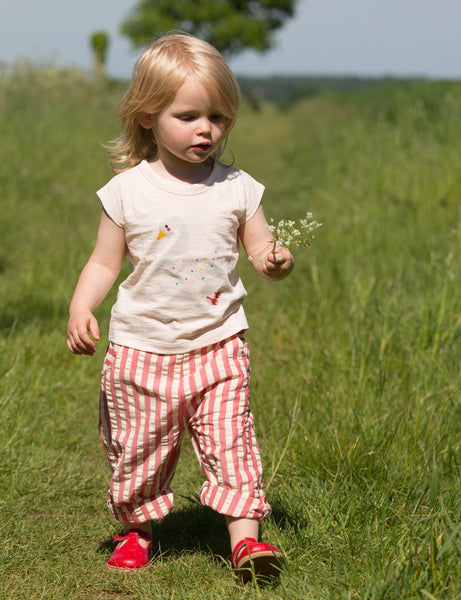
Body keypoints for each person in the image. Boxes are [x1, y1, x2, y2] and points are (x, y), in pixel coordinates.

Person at [66, 32, 294, 580]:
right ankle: (136, 530)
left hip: (218, 344)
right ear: (146, 116)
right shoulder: (127, 192)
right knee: (139, 449)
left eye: (218, 117)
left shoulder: (238, 188)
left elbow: (258, 245)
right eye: (188, 115)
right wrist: (81, 307)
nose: (205, 129)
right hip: (142, 350)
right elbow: (103, 262)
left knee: (232, 440)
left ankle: (246, 542)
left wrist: (271, 259)